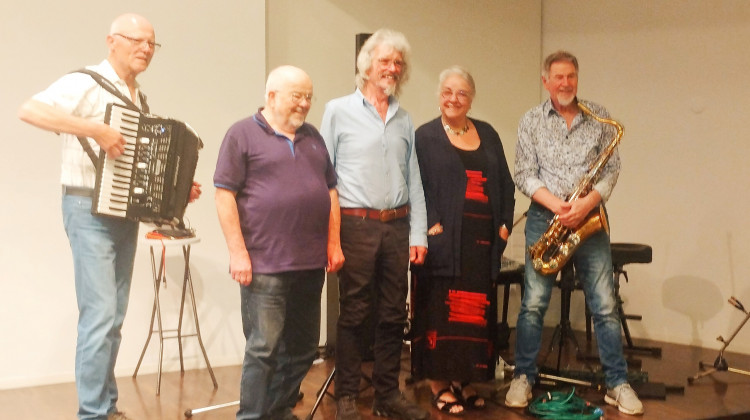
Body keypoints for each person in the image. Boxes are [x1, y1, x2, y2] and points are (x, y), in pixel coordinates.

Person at [18, 14, 201, 420]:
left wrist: (176, 189)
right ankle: (92, 413)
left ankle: (105, 406)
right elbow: (29, 110)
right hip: (87, 209)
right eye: (137, 40)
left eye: (152, 43)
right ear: (111, 41)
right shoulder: (86, 82)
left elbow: (136, 168)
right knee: (100, 316)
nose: (146, 49)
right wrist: (93, 129)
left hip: (122, 214)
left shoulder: (139, 98)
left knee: (113, 317)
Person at [507, 50, 644, 416]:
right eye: (558, 77)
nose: (565, 83)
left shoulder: (598, 117)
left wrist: (587, 204)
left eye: (571, 76)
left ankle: (617, 382)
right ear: (546, 81)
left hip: (589, 215)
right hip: (545, 217)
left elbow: (612, 169)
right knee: (533, 303)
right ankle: (523, 376)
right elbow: (523, 173)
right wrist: (557, 205)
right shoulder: (531, 121)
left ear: (577, 78)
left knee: (604, 304)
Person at [214, 65, 345, 420]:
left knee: (303, 349)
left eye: (308, 97)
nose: (304, 104)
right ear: (271, 96)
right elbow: (224, 196)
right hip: (264, 266)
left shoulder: (313, 137)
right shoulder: (241, 134)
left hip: (310, 264)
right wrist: (238, 253)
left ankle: (276, 411)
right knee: (264, 348)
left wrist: (333, 243)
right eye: (296, 96)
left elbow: (330, 192)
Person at [320, 29, 430, 420]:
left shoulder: (404, 118)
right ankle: (347, 395)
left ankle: (387, 394)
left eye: (398, 63)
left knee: (393, 314)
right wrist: (330, 237)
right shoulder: (337, 111)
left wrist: (418, 234)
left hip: (397, 227)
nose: (392, 68)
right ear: (367, 65)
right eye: (385, 60)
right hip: (356, 225)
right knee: (354, 312)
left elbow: (413, 179)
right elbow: (324, 179)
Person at [411, 66, 515, 416]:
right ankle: (439, 384)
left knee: (474, 316)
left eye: (461, 93)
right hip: (443, 244)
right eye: (447, 92)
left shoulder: (488, 133)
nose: (453, 99)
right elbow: (417, 186)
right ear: (439, 96)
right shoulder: (425, 136)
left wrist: (504, 226)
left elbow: (505, 183)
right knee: (442, 316)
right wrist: (431, 226)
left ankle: (464, 380)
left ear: (471, 99)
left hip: (482, 246)